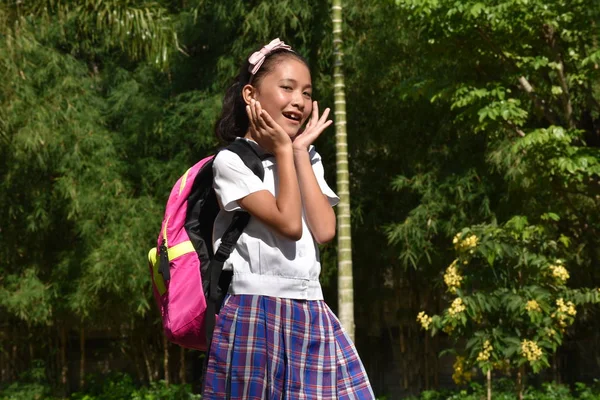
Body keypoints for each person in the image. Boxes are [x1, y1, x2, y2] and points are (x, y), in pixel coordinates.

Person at [203, 38, 374, 400]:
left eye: (307, 93)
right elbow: (290, 224)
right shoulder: (230, 162)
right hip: (253, 309)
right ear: (251, 95)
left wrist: (296, 152)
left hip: (310, 306)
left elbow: (324, 230)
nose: (299, 100)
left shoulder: (306, 157)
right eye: (287, 88)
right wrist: (284, 149)